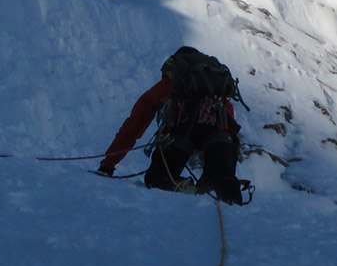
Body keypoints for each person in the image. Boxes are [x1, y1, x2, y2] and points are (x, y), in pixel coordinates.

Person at [97, 46, 245, 204]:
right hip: (221, 133)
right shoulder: (216, 86)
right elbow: (228, 116)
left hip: (184, 134)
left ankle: (184, 189)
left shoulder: (172, 84)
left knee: (157, 179)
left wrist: (109, 164)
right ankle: (233, 207)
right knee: (224, 181)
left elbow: (134, 125)